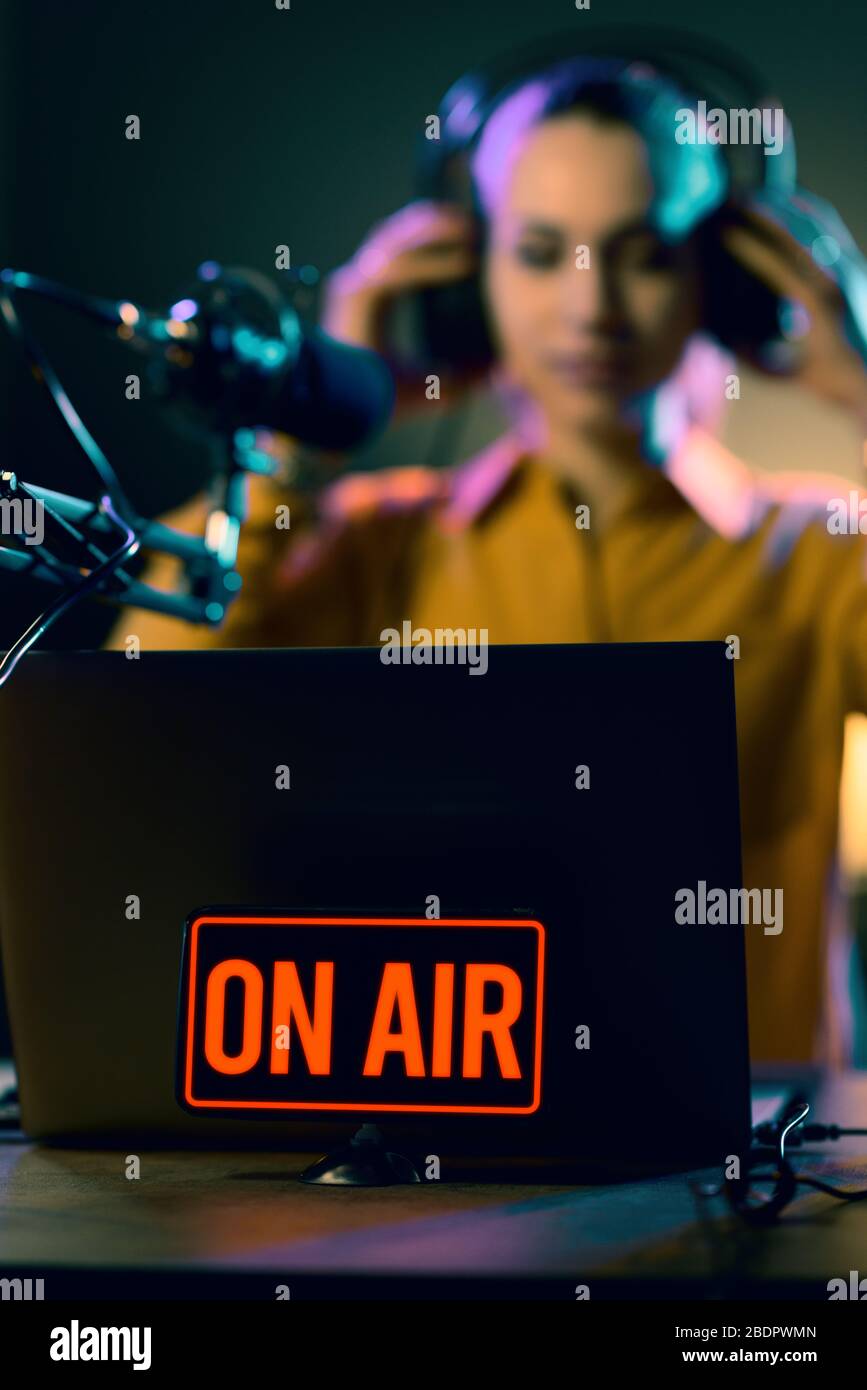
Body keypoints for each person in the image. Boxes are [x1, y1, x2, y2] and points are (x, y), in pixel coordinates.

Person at [107, 57, 867, 1067]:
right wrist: (308, 420)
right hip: (452, 1173)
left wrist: (861, 383)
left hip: (762, 1161)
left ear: (719, 282)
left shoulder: (820, 551)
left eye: (641, 253)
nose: (593, 309)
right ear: (470, 290)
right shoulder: (372, 545)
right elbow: (141, 704)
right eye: (542, 252)